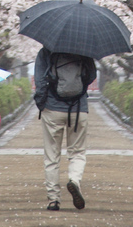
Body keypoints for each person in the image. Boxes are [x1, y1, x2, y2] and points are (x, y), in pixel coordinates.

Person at [33, 47, 97, 211]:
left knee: (52, 156)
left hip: (52, 110)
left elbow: (40, 81)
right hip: (78, 109)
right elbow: (91, 76)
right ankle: (74, 180)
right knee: (77, 152)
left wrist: (42, 103)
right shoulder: (84, 49)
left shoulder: (46, 51)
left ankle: (53, 200)